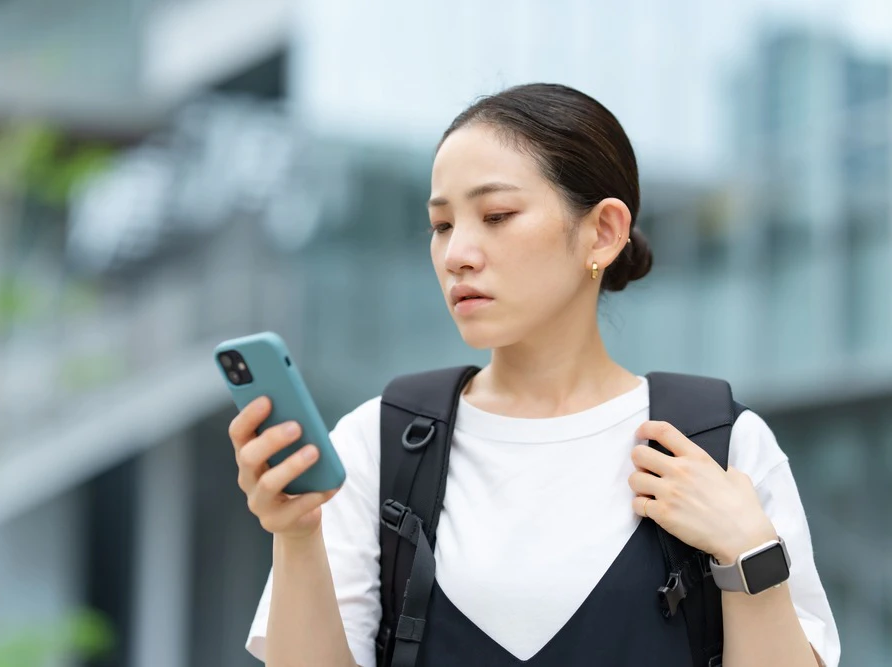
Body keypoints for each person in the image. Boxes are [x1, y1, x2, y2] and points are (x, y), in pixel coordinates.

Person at [230, 83, 840, 666]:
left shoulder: (722, 446)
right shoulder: (380, 443)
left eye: (496, 215)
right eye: (442, 224)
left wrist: (748, 552)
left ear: (603, 231)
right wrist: (299, 537)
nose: (457, 253)